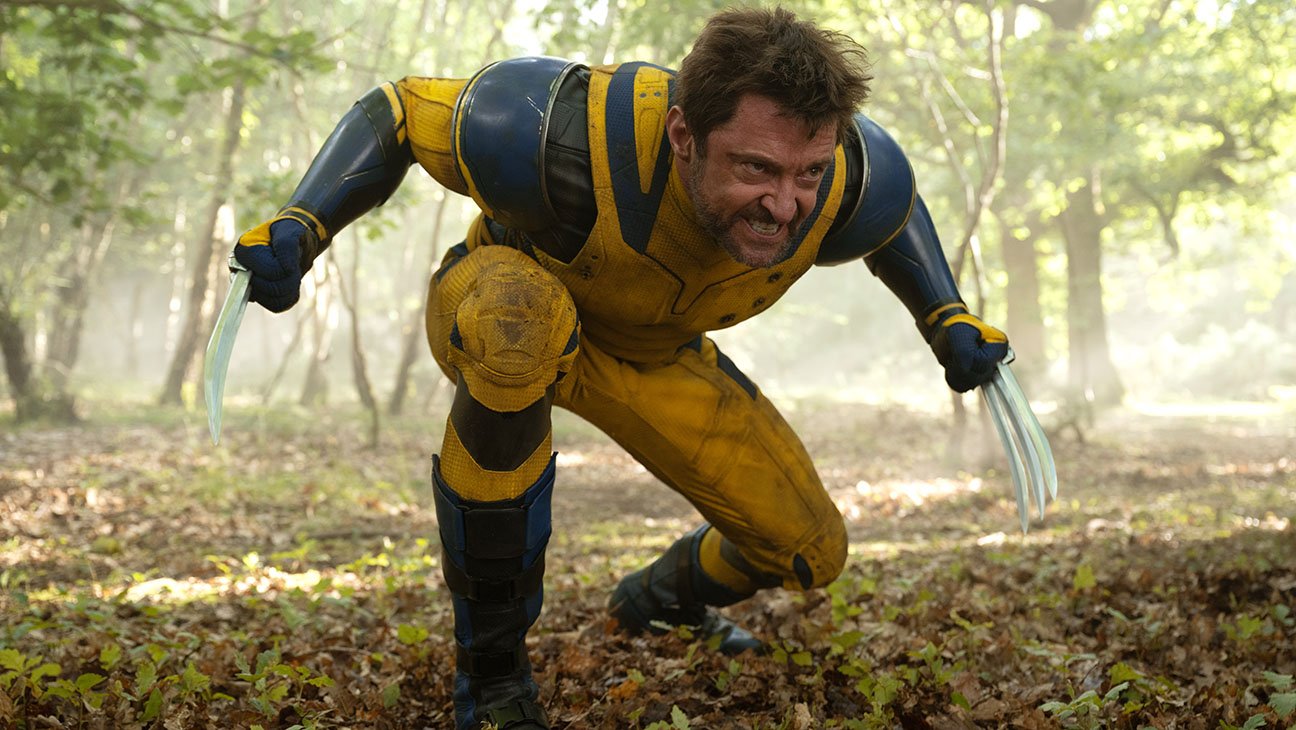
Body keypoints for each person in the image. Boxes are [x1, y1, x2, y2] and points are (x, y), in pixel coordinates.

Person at [233, 7, 1009, 729]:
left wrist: (945, 315)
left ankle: (659, 601)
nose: (785, 205)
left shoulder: (851, 178)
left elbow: (893, 216)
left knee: (810, 549)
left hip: (656, 356)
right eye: (755, 168)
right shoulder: (550, 133)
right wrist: (306, 220)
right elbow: (402, 110)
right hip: (506, 302)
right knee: (517, 324)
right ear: (682, 133)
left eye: (807, 173)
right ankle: (493, 677)